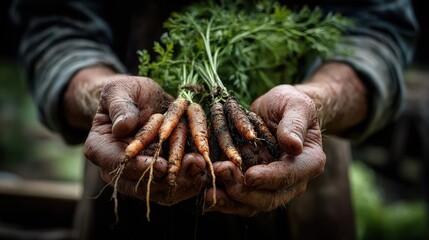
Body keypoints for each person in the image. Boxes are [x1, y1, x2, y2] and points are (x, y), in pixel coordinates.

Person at [10, 0, 419, 239]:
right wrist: (103, 96)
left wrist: (317, 102)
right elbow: (54, 24)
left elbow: (379, 31)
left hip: (301, 177)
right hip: (130, 180)